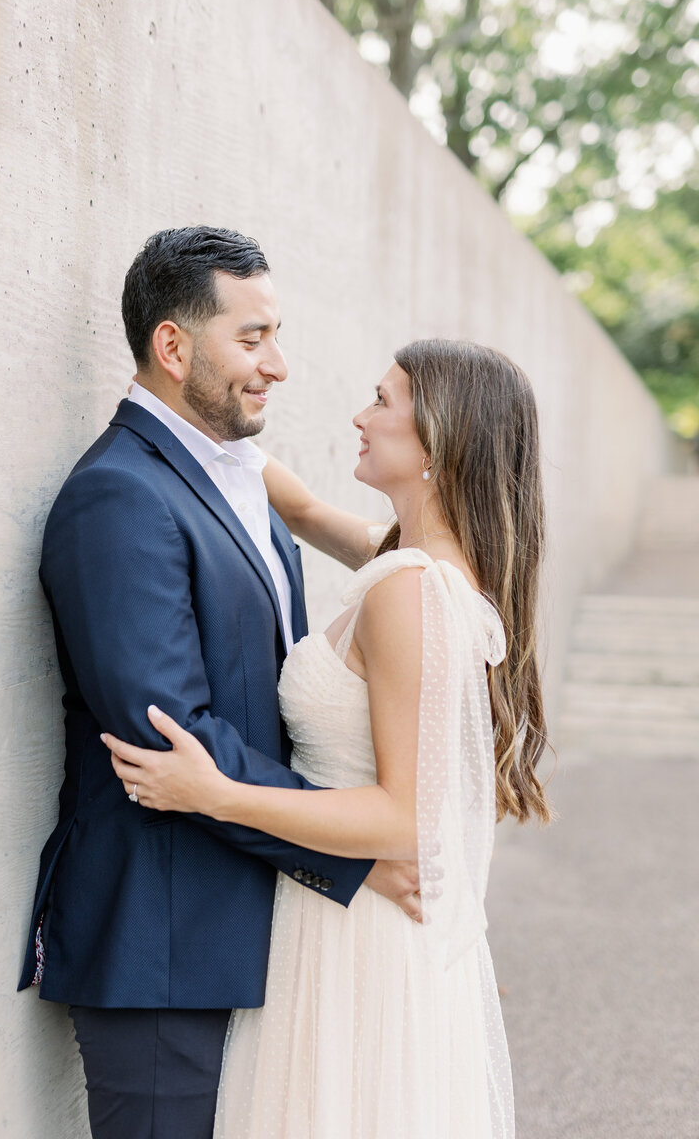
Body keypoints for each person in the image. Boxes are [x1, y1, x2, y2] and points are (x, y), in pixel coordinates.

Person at [17, 226, 420, 1139]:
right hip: (163, 933)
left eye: (275, 335)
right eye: (252, 338)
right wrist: (351, 844)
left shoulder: (229, 468)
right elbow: (166, 735)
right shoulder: (119, 496)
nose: (278, 364)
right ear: (172, 346)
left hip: (242, 914)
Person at [102, 338, 553, 1138]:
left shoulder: (410, 594)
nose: (360, 415)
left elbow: (402, 819)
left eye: (383, 402)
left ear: (438, 443)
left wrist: (217, 792)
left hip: (357, 938)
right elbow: (302, 509)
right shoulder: (409, 561)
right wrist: (183, 400)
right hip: (348, 916)